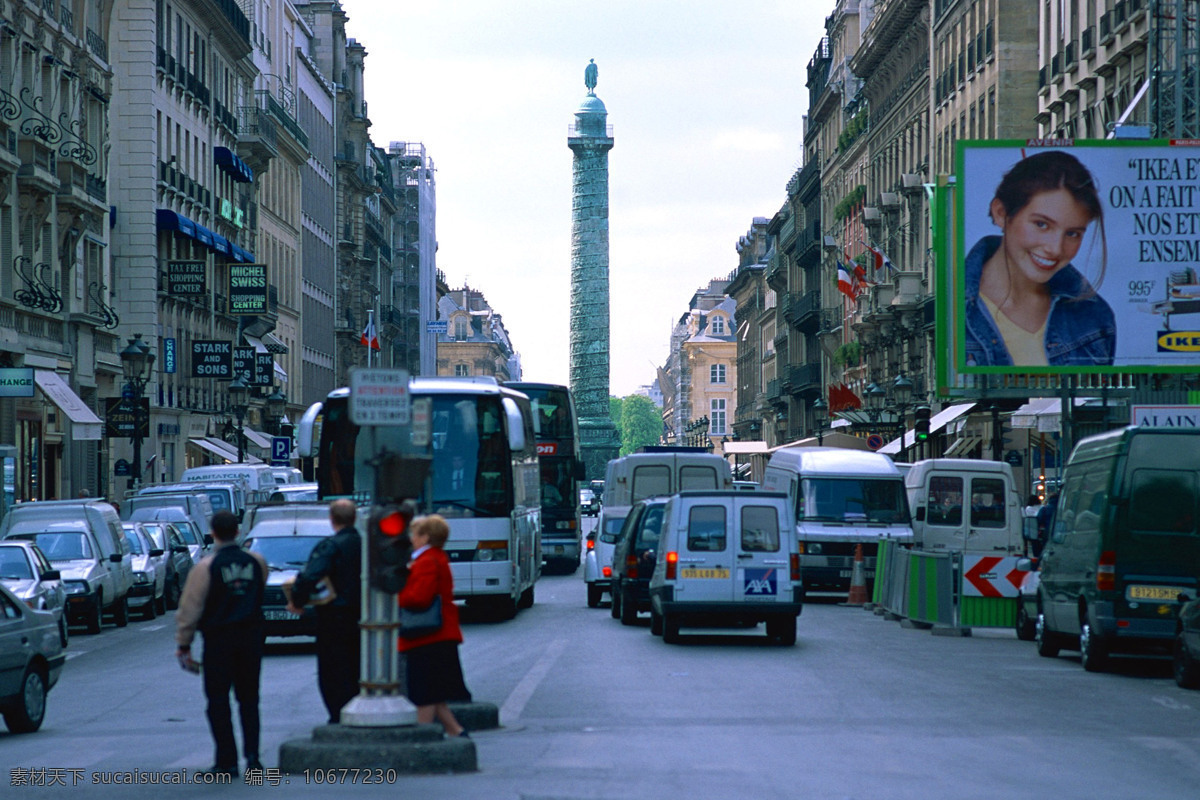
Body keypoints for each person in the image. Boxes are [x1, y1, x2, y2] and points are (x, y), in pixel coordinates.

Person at [964, 150, 1116, 367]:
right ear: (1001, 213)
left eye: (1072, 233)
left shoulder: (1094, 315)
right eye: (1042, 224)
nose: (1055, 249)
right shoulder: (955, 307)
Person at [175, 510, 267, 777]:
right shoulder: (256, 561)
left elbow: (190, 609)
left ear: (213, 533)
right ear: (238, 532)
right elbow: (258, 589)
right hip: (250, 638)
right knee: (249, 700)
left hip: (218, 640)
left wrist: (184, 643)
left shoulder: (205, 567)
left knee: (218, 701)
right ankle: (253, 758)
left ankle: (226, 760)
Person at [285, 499, 362, 724]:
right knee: (355, 664)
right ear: (355, 518)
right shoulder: (365, 544)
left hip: (334, 617)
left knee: (333, 669)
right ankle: (356, 706)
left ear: (332, 519)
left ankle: (338, 714)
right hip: (362, 615)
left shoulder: (331, 546)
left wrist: (297, 600)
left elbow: (311, 575)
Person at [397, 514, 471, 738]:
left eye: (414, 534)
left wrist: (396, 594)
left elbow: (419, 597)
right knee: (433, 690)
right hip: (436, 634)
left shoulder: (427, 560)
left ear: (425, 537)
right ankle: (455, 731)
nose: (411, 538)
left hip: (428, 636)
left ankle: (424, 737)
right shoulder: (434, 557)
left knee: (424, 691)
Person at [1022, 493, 1043, 558]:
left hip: (1032, 529)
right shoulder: (1042, 507)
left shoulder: (1028, 508)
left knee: (1034, 543)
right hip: (1041, 528)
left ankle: (1036, 556)